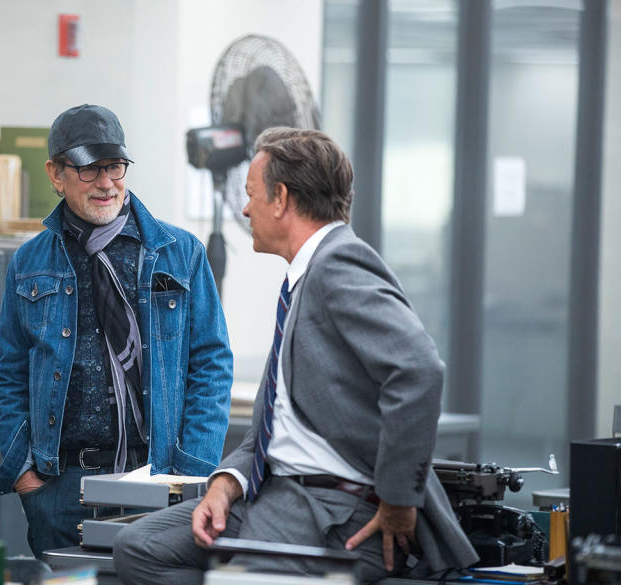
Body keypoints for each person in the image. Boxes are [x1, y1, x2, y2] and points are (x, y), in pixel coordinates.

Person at [113, 128, 478, 583]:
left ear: (281, 198)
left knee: (239, 578)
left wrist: (399, 499)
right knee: (136, 549)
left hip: (331, 512)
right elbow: (276, 418)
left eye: (251, 195)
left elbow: (419, 371)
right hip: (275, 496)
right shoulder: (301, 278)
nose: (245, 209)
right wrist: (226, 484)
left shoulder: (338, 265)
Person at [0, 104, 233, 557]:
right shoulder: (29, 263)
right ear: (55, 173)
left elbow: (211, 365)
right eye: (89, 170)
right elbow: (10, 373)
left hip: (159, 477)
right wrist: (26, 475)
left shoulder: (179, 253)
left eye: (115, 167)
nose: (106, 183)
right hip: (60, 486)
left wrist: (192, 470)